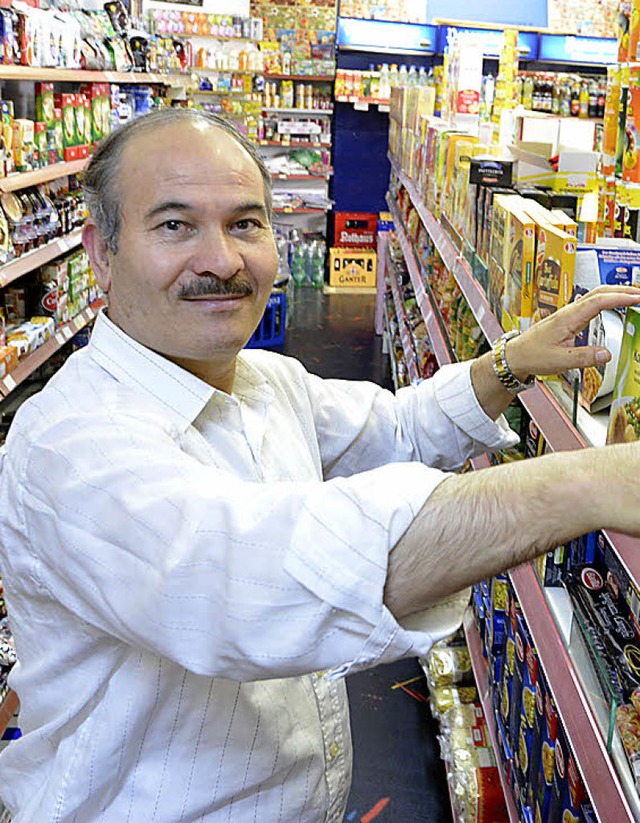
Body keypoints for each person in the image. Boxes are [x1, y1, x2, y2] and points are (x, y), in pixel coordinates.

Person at [0, 108, 638, 823]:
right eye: (175, 226)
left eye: (245, 223)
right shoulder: (69, 445)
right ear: (102, 251)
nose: (221, 260)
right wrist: (593, 482)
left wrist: (510, 362)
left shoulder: (258, 381)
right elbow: (246, 579)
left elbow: (393, 427)